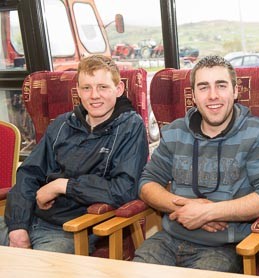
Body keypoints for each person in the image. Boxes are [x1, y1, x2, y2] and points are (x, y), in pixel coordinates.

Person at [133, 55, 259, 273]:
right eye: (203, 87)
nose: (213, 95)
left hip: (224, 247)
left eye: (221, 86)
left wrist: (210, 212)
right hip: (168, 239)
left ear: (235, 91)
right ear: (194, 96)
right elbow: (147, 183)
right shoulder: (175, 131)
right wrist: (187, 208)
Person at [0, 55, 148, 253]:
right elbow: (28, 174)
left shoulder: (131, 127)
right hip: (27, 218)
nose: (94, 95)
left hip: (70, 229)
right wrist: (18, 226)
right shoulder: (62, 124)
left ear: (118, 89)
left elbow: (123, 189)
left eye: (103, 87)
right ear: (78, 91)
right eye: (86, 88)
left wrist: (63, 186)